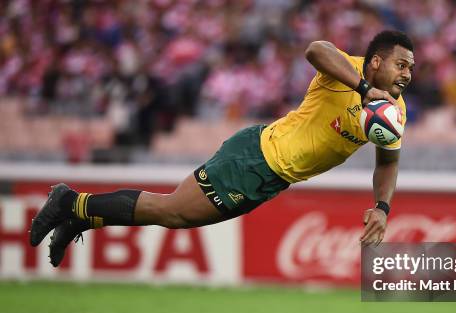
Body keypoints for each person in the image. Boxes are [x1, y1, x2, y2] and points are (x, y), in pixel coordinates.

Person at [30, 30, 415, 267]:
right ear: (375, 61)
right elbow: (316, 48)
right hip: (255, 157)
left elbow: (388, 163)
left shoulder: (394, 111)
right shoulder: (347, 73)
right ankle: (69, 203)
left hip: (272, 179)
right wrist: (365, 89)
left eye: (411, 68)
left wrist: (382, 207)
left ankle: (83, 217)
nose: (407, 74)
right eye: (400, 65)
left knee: (176, 215)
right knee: (172, 211)